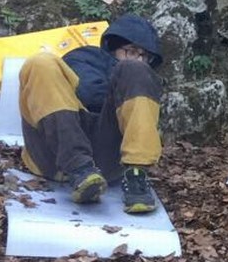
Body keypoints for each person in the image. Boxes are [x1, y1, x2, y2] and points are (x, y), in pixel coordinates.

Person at [18, 14, 164, 215]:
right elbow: (87, 91)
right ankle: (79, 168)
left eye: (144, 56)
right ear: (113, 47)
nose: (138, 59)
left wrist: (128, 81)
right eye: (131, 51)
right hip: (53, 153)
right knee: (40, 63)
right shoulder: (86, 56)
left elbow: (140, 113)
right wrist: (118, 88)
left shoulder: (136, 72)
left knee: (135, 71)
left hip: (107, 158)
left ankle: (136, 174)